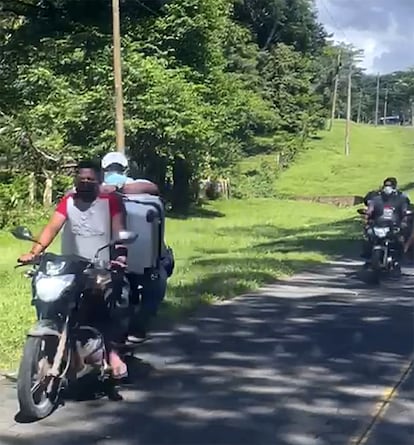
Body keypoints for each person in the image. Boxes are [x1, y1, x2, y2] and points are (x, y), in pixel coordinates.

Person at [19, 160, 129, 379]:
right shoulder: (68, 201)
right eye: (82, 179)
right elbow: (52, 227)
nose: (86, 183)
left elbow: (119, 231)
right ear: (75, 180)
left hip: (99, 265)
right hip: (69, 265)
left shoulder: (111, 201)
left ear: (98, 181)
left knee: (108, 304)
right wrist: (34, 252)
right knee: (49, 300)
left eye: (90, 179)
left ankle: (113, 353)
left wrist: (120, 257)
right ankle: (50, 347)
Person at [101, 152, 174, 340]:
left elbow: (152, 187)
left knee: (158, 276)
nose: (113, 172)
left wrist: (120, 187)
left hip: (140, 252)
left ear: (125, 170)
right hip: (106, 253)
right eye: (111, 169)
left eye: (116, 169)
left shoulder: (136, 185)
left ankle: (139, 326)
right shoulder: (96, 189)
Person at [362, 178, 408, 266]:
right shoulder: (376, 199)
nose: (387, 188)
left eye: (390, 186)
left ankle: (398, 258)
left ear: (394, 187)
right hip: (378, 226)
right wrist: (367, 216)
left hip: (394, 226)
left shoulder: (400, 199)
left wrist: (404, 221)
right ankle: (368, 256)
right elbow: (370, 210)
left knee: (399, 240)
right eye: (386, 185)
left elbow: (404, 211)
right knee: (368, 237)